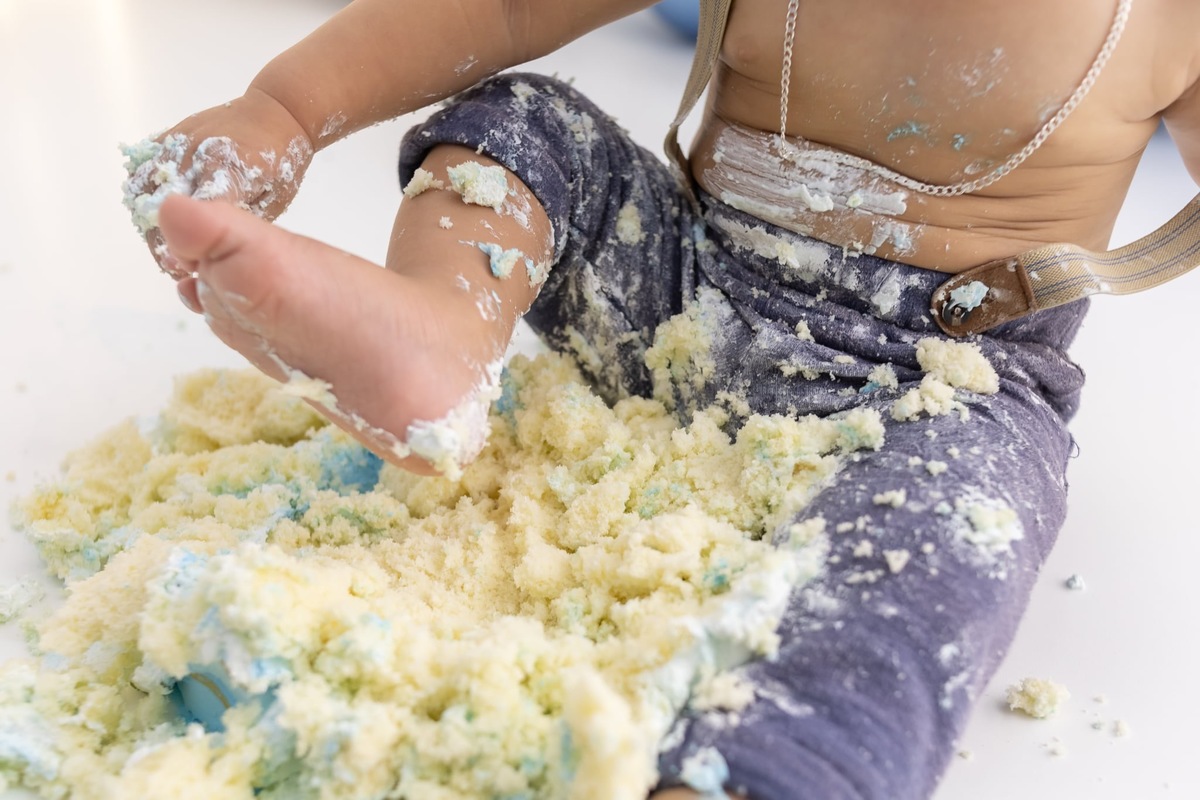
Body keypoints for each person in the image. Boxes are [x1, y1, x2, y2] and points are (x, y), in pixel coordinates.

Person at [124, 0, 1200, 797]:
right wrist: (288, 106)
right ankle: (441, 328)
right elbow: (500, 12)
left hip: (934, 386)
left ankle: (764, 766)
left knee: (952, 545)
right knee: (523, 123)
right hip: (675, 292)